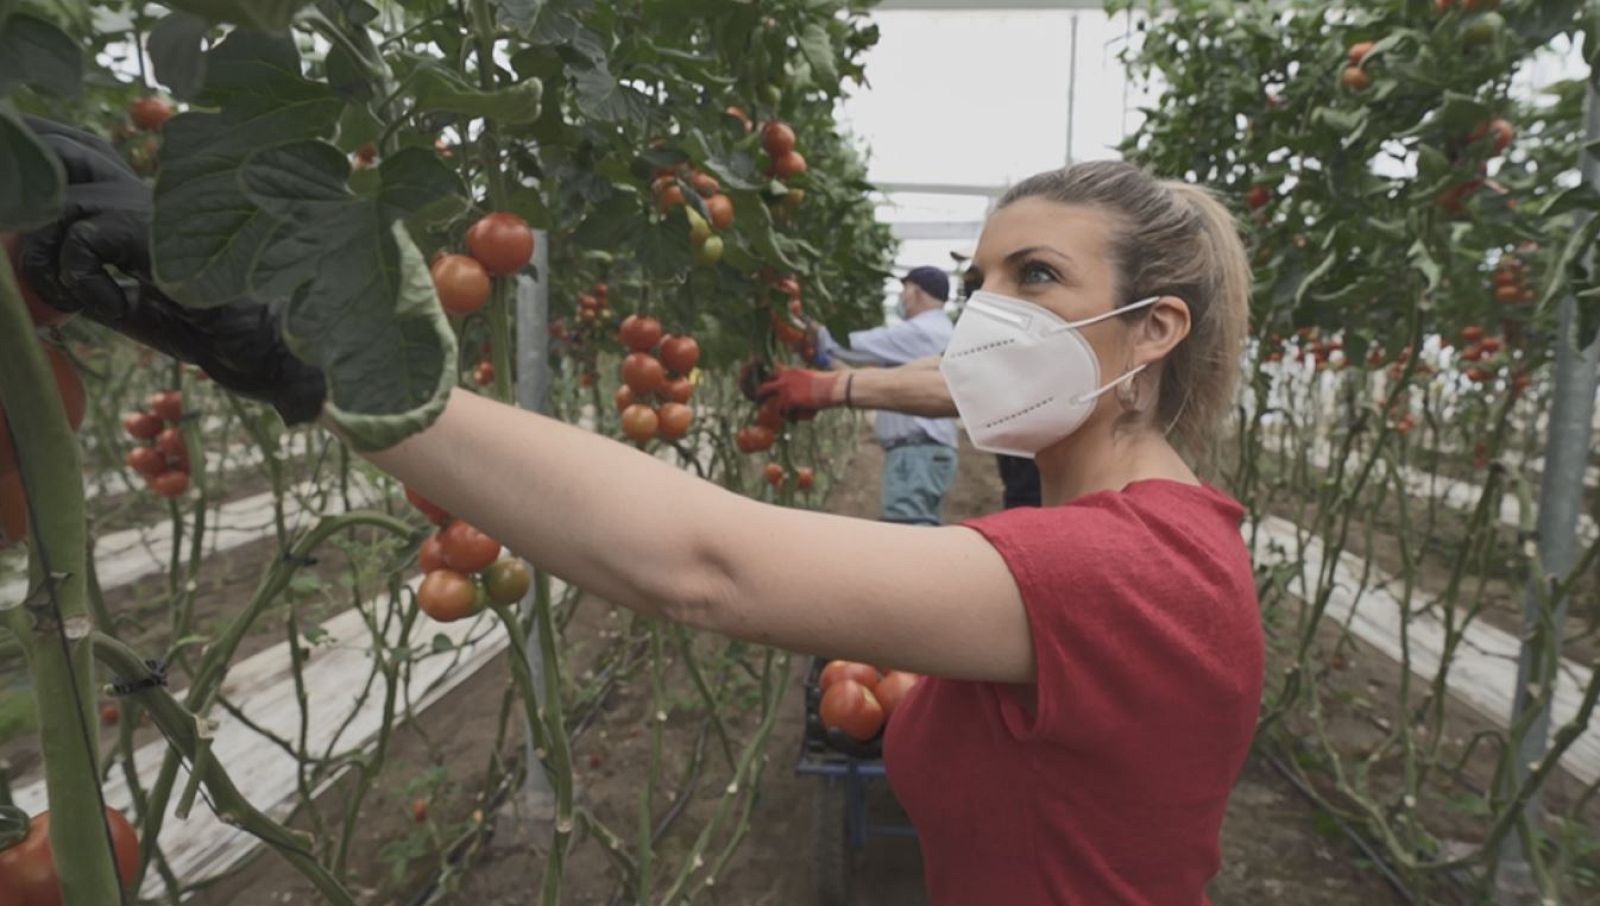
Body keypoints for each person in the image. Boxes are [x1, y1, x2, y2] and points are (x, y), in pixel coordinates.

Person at [22, 118, 1262, 905]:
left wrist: (324, 354)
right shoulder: (1123, 547)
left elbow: (701, 562)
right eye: (982, 276)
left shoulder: (1125, 568)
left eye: (1035, 278)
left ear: (1150, 333)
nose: (984, 310)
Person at [810, 266, 959, 525]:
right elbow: (879, 381)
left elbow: (848, 344)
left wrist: (804, 325)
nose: (902, 298)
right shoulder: (940, 331)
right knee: (919, 527)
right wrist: (826, 363)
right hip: (926, 452)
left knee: (908, 535)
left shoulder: (919, 331)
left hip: (916, 453)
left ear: (916, 292)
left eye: (904, 290)